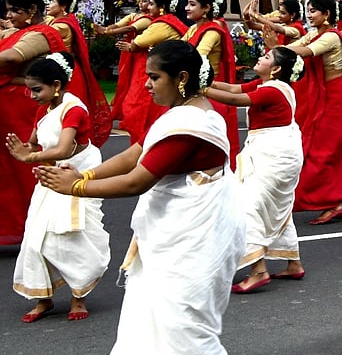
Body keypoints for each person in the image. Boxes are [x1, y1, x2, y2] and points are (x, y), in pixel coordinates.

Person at [34, 40, 244, 353]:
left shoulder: (191, 123)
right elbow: (135, 153)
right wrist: (85, 175)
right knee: (152, 322)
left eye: (154, 77)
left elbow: (136, 182)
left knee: (185, 329)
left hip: (195, 238)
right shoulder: (180, 113)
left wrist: (75, 188)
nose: (146, 84)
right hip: (180, 233)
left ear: (182, 78)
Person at [6, 53, 110, 323]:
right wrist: (24, 148)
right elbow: (34, 144)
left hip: (77, 176)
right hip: (50, 177)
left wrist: (27, 157)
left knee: (71, 236)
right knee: (35, 237)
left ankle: (78, 296)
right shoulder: (44, 110)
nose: (31, 96)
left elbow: (63, 149)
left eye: (37, 90)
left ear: (56, 84)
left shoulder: (73, 109)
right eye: (29, 90)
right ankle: (44, 298)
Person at [204, 46, 306, 293]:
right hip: (281, 151)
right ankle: (293, 262)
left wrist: (198, 88)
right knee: (275, 205)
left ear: (277, 69)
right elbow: (231, 88)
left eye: (267, 57)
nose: (261, 57)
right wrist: (204, 81)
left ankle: (258, 270)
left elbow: (235, 100)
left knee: (246, 205)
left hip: (272, 151)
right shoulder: (274, 86)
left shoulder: (272, 90)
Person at [287, 0, 342, 224]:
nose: (309, 15)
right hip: (330, 96)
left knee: (327, 151)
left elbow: (306, 52)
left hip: (339, 98)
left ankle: (334, 202)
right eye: (308, 10)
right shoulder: (315, 34)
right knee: (339, 151)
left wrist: (278, 52)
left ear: (327, 14)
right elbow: (295, 45)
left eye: (313, 11)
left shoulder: (331, 37)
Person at [0, 0, 68, 247]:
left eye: (15, 11)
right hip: (11, 108)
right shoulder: (24, 31)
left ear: (32, 9)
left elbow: (10, 58)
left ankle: (36, 227)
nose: (10, 17)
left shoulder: (42, 34)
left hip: (24, 109)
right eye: (8, 11)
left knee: (23, 169)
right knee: (9, 171)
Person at [114, 0, 189, 144]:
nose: (148, 7)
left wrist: (131, 45)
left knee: (140, 108)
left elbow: (139, 42)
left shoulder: (162, 24)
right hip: (167, 72)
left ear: (161, 7)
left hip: (162, 73)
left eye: (152, 4)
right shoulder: (172, 21)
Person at [43, 0, 112, 146]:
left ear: (63, 6)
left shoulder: (61, 26)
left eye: (52, 1)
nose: (47, 4)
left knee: (64, 111)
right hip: (68, 70)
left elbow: (40, 33)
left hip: (66, 74)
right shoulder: (63, 20)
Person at [184, 0, 241, 166]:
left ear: (207, 8)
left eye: (192, 4)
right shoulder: (194, 28)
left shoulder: (212, 31)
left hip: (209, 94)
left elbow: (197, 57)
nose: (187, 8)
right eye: (187, 3)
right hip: (193, 89)